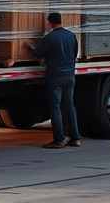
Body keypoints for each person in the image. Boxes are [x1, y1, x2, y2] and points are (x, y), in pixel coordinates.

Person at [30, 12, 82, 149]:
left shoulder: (50, 38)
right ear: (60, 21)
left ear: (50, 23)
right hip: (70, 76)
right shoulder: (71, 36)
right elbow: (75, 53)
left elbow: (37, 53)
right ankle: (75, 138)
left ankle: (59, 139)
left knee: (55, 108)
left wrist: (27, 46)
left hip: (55, 77)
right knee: (70, 106)